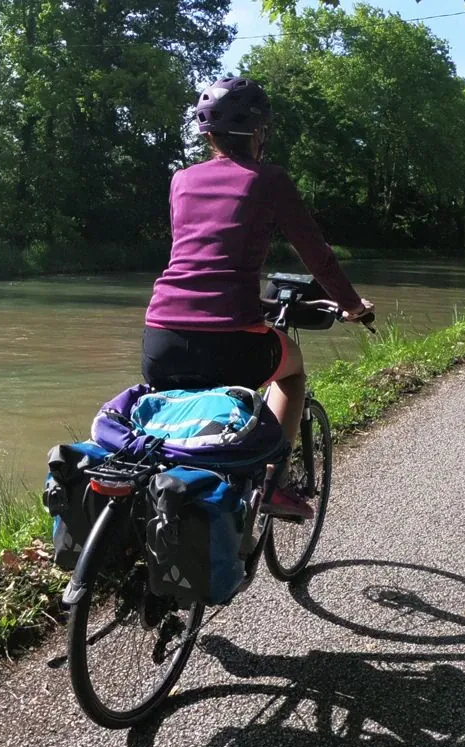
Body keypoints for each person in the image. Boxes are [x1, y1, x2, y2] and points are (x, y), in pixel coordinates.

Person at [141, 77, 374, 520]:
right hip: (232, 343)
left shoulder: (181, 180)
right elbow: (318, 257)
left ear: (207, 134)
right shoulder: (269, 179)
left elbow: (199, 261)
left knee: (173, 432)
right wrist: (352, 304)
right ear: (260, 132)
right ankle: (274, 483)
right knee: (292, 371)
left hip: (160, 338)